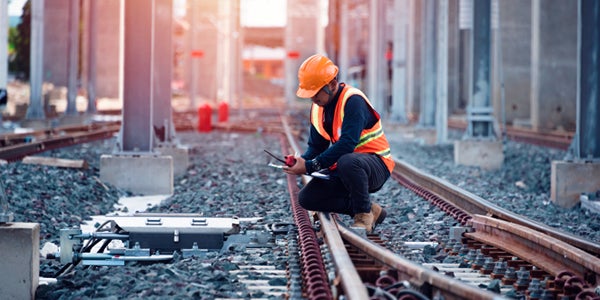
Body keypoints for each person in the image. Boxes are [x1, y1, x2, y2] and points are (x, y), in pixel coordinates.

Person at [283, 54, 395, 233]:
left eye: (315, 93)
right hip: (346, 169)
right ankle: (371, 209)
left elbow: (347, 144)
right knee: (307, 198)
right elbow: (316, 146)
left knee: (348, 161)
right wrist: (301, 162)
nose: (313, 99)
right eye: (310, 95)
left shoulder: (353, 101)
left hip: (376, 166)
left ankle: (363, 217)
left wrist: (312, 166)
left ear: (332, 85)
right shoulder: (318, 109)